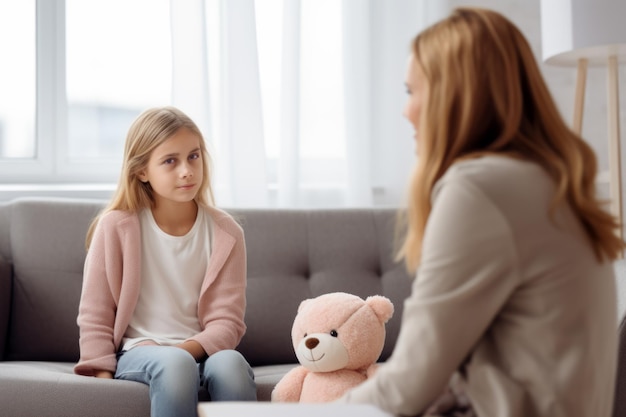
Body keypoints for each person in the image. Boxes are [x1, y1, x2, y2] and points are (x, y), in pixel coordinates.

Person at [337, 7, 624, 417]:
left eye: (412, 92)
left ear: (455, 94)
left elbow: (405, 389)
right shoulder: (548, 184)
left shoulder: (479, 189)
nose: (406, 111)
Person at [74, 106, 257, 417]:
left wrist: (186, 351)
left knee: (233, 365)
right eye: (170, 161)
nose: (186, 170)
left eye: (193, 156)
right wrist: (101, 374)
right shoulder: (116, 226)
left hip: (203, 351)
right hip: (139, 352)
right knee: (175, 364)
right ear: (142, 171)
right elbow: (95, 312)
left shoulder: (227, 233)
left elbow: (227, 322)